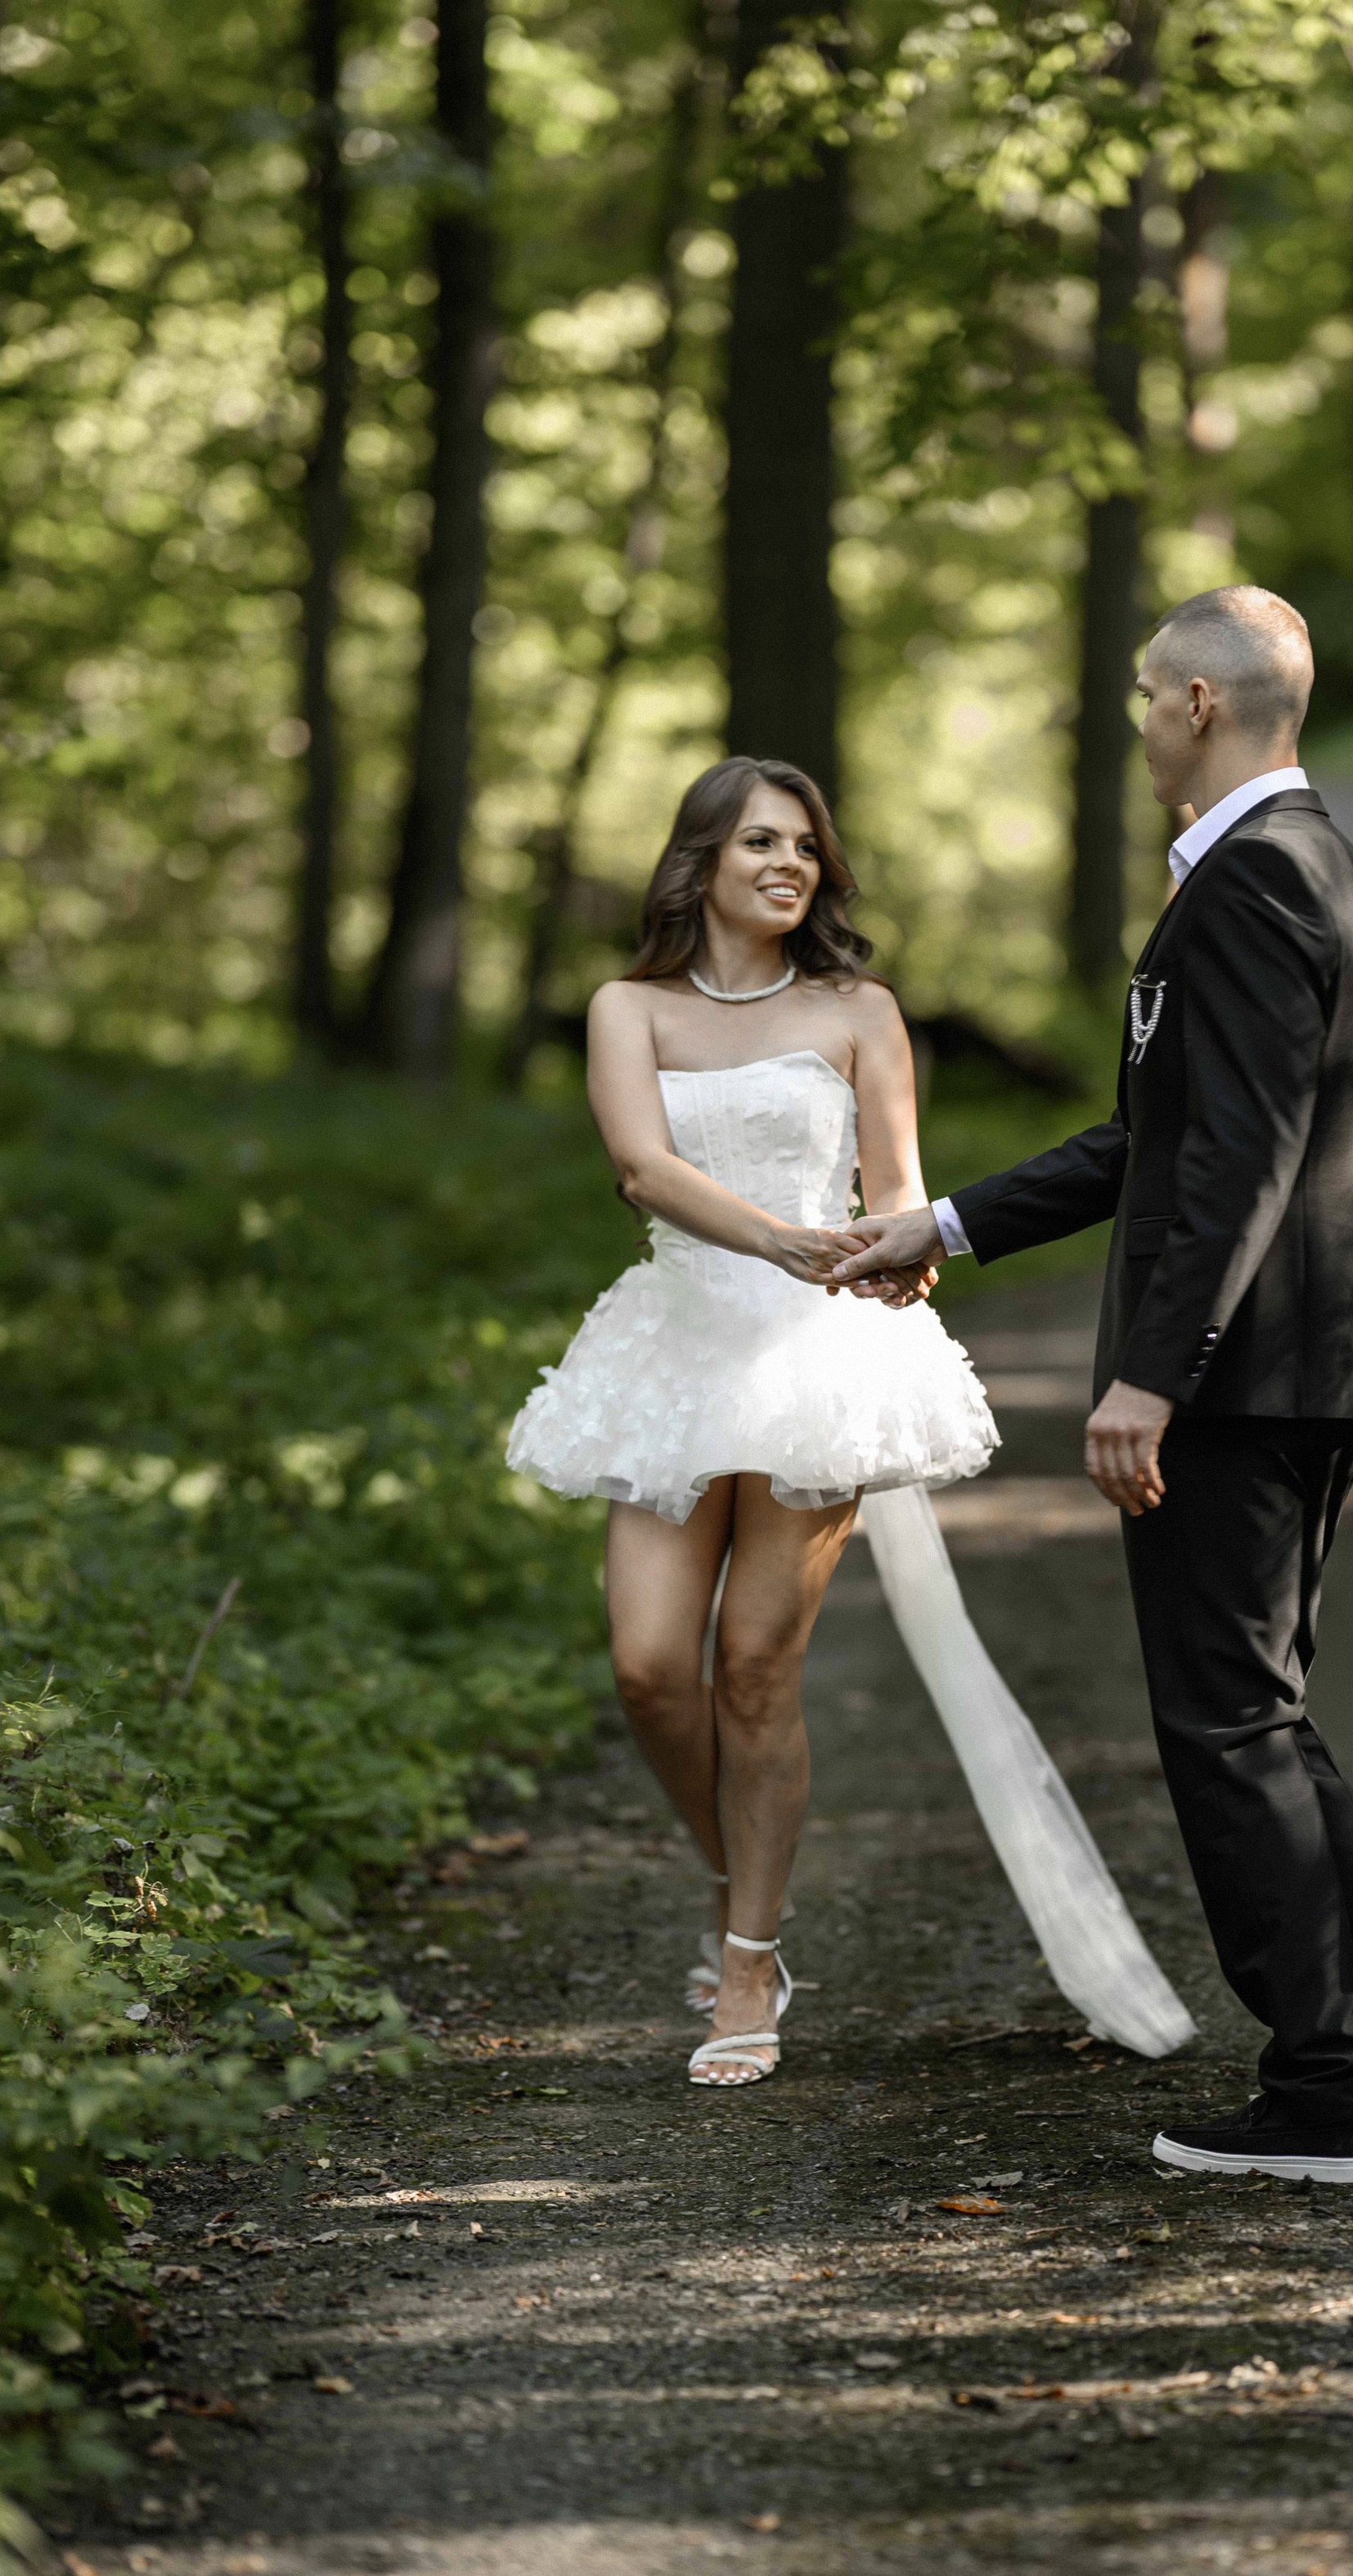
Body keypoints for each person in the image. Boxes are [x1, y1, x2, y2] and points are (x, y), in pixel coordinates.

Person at [832, 587, 1353, 2186]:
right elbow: (1160, 1139)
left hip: (1244, 1376)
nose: (1129, 723)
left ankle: (1320, 2097)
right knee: (1263, 1705)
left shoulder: (1253, 882)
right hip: (1305, 1360)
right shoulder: (1320, 864)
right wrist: (950, 1223)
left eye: (1138, 696)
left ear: (1197, 704)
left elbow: (1244, 1159)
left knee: (1223, 1725)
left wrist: (1149, 1378)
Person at [505, 755, 1189, 2088]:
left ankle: (751, 1959)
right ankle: (727, 1875)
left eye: (806, 847)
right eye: (759, 841)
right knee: (651, 1665)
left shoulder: (861, 1009)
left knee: (755, 1668)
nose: (789, 864)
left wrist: (900, 1251)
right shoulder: (627, 1007)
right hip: (678, 1344)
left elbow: (904, 1187)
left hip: (819, 1357)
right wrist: (778, 1237)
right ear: (697, 860)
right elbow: (642, 1168)